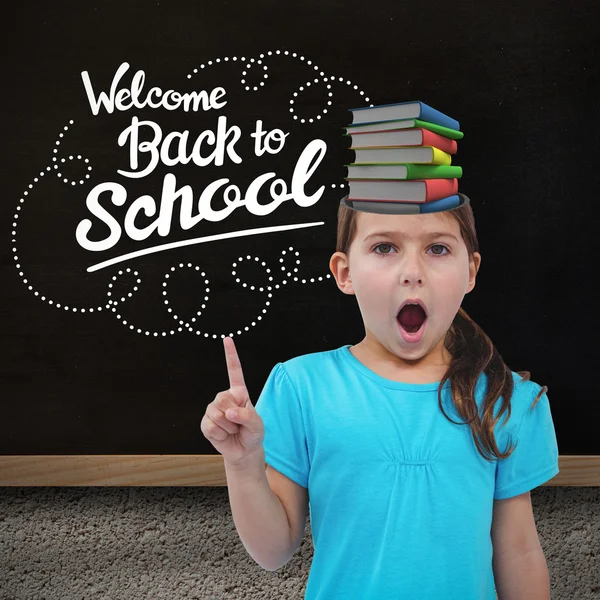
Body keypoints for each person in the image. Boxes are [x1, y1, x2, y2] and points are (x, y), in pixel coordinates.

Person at [201, 194, 560, 600]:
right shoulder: (300, 388)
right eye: (384, 247)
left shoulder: (505, 399)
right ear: (345, 272)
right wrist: (244, 465)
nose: (412, 272)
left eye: (438, 248)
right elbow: (273, 552)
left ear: (471, 272)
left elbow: (519, 552)